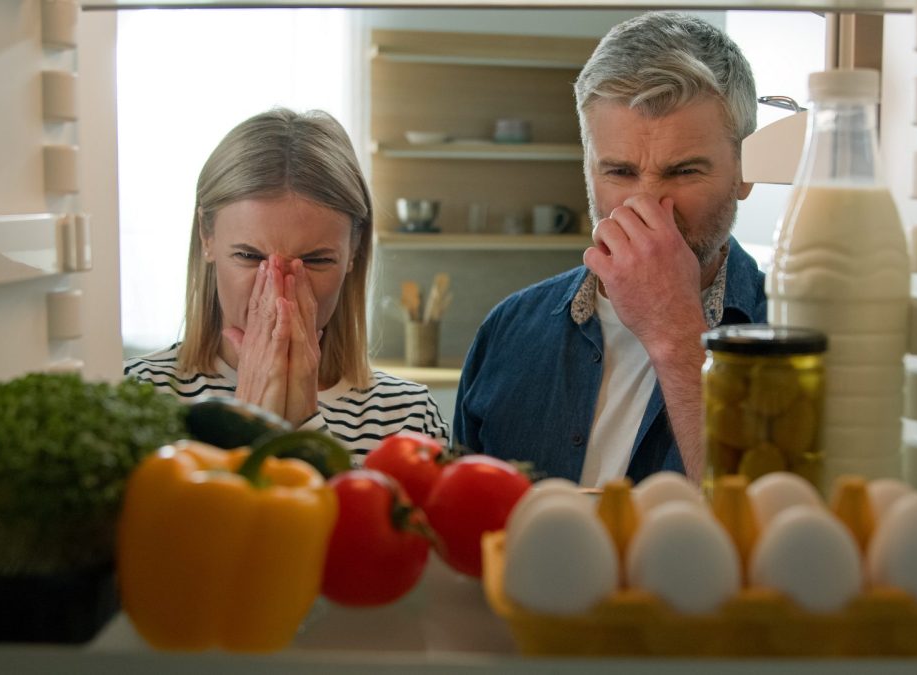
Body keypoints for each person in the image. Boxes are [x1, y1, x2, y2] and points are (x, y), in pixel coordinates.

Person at [454, 12, 766, 486]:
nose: (647, 206)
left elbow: (772, 535)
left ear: (744, 171)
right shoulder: (507, 332)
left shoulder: (791, 331)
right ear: (588, 169)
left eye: (684, 172)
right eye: (619, 172)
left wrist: (675, 332)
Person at [125, 108, 449, 457]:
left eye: (316, 261)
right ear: (207, 236)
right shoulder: (136, 396)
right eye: (249, 257)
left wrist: (305, 427)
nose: (281, 293)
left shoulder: (408, 416)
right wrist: (247, 427)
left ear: (354, 251)